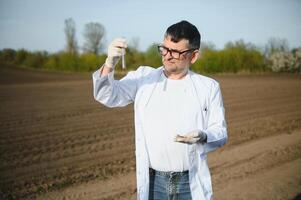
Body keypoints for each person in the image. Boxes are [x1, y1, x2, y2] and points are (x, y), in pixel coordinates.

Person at [92, 20, 227, 200]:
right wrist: (109, 63)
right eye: (164, 48)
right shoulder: (144, 78)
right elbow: (107, 95)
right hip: (154, 183)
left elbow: (220, 132)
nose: (167, 56)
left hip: (189, 183)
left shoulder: (208, 87)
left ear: (193, 56)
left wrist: (203, 135)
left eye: (176, 52)